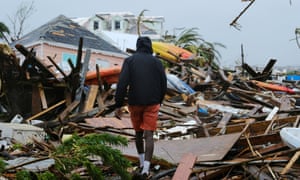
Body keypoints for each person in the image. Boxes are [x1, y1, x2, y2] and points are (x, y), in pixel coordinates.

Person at [113, 36, 167, 178]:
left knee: (138, 133)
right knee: (149, 135)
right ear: (150, 47)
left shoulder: (129, 61)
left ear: (137, 46)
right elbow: (163, 83)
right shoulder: (157, 62)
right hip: (152, 103)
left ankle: (141, 163)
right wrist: (159, 100)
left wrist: (118, 104)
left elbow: (122, 83)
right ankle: (146, 169)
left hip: (135, 102)